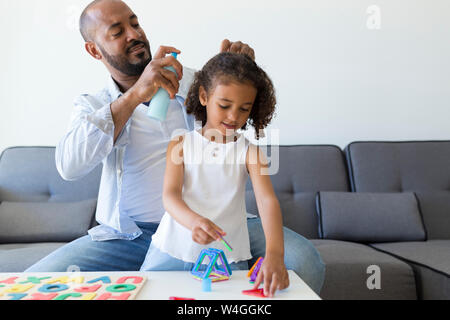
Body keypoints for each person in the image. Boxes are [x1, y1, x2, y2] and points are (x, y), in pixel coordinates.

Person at [25, 0, 325, 295]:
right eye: (117, 31)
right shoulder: (92, 105)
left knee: (303, 262)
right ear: (94, 49)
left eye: (134, 22)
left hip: (217, 224)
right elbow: (69, 166)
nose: (133, 34)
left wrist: (234, 72)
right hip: (128, 236)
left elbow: (234, 113)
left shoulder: (192, 83)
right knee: (34, 282)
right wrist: (134, 96)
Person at [140, 52, 287, 297]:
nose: (233, 116)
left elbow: (267, 201)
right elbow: (170, 196)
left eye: (244, 109)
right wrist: (193, 222)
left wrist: (275, 254)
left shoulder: (251, 152)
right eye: (224, 105)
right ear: (204, 96)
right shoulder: (180, 143)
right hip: (171, 249)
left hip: (226, 257)